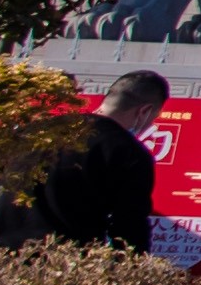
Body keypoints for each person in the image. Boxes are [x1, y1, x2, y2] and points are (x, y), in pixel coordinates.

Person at [18, 72, 167, 251]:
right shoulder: (128, 152)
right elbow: (129, 226)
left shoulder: (37, 131)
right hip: (60, 258)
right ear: (144, 111)